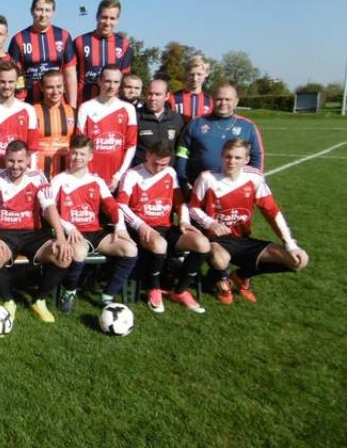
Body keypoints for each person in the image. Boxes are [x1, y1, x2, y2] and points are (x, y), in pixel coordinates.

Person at [189, 138, 308, 304]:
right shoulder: (207, 178)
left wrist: (290, 244)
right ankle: (220, 281)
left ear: (246, 159)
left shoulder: (254, 178)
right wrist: (211, 223)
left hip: (243, 240)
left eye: (237, 157)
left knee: (298, 261)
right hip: (216, 240)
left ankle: (241, 276)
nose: (231, 161)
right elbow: (193, 208)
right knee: (220, 259)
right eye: (228, 156)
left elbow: (272, 212)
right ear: (222, 155)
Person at [0, 140, 72, 323]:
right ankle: (8, 301)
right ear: (5, 159)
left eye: (20, 161)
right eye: (11, 161)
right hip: (4, 232)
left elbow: (49, 207)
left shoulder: (37, 176)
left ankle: (39, 300)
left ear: (28, 160)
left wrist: (61, 237)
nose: (15, 166)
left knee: (64, 255)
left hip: (32, 234)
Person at [118, 141, 209, 313]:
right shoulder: (132, 175)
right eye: (156, 163)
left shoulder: (170, 172)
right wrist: (140, 225)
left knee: (202, 244)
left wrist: (184, 221)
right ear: (148, 155)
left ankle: (180, 290)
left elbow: (180, 202)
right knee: (160, 244)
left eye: (164, 164)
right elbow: (121, 205)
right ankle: (154, 288)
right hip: (142, 228)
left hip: (166, 227)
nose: (159, 168)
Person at [51, 135, 138, 313]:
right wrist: (69, 227)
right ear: (70, 153)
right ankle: (69, 292)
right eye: (74, 153)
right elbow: (48, 211)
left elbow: (112, 207)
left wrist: (120, 227)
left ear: (91, 156)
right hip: (73, 233)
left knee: (131, 249)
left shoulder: (97, 181)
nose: (77, 158)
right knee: (80, 252)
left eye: (82, 154)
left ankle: (108, 296)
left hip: (96, 232)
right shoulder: (58, 180)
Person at [175, 83, 264, 193]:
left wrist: (253, 181)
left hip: (235, 190)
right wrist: (183, 180)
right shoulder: (196, 123)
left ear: (236, 101)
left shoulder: (248, 126)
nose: (223, 103)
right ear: (212, 100)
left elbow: (256, 157)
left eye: (228, 99)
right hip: (199, 188)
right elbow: (182, 154)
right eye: (219, 99)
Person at [8, 0, 77, 107]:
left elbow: (70, 75)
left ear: (53, 12)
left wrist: (72, 107)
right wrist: (19, 102)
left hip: (57, 104)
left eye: (47, 10)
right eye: (39, 10)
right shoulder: (18, 38)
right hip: (29, 103)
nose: (43, 14)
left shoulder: (64, 36)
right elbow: (15, 75)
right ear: (31, 11)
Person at [75, 65, 137, 191]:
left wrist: (118, 176)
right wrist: (88, 175)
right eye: (108, 81)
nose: (112, 86)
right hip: (89, 176)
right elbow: (80, 146)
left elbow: (131, 146)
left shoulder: (128, 109)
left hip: (117, 179)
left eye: (116, 82)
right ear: (99, 81)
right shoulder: (85, 108)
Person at [75, 0, 133, 103]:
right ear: (97, 17)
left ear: (117, 20)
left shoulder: (125, 45)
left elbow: (125, 80)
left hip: (112, 107)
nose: (107, 22)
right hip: (84, 103)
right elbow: (69, 76)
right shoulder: (80, 41)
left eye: (112, 18)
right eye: (104, 17)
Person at [33, 69, 75, 178]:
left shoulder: (73, 112)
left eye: (59, 86)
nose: (55, 91)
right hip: (39, 174)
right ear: (42, 88)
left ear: (64, 86)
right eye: (50, 87)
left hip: (66, 174)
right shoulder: (32, 111)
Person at [134, 79, 185, 166]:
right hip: (142, 171)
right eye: (150, 94)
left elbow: (180, 148)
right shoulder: (135, 116)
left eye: (157, 94)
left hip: (167, 171)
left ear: (167, 96)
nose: (152, 98)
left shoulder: (176, 119)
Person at [171, 55, 213, 122]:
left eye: (199, 74)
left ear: (206, 74)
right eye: (191, 74)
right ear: (186, 74)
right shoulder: (173, 98)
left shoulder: (210, 101)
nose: (195, 79)